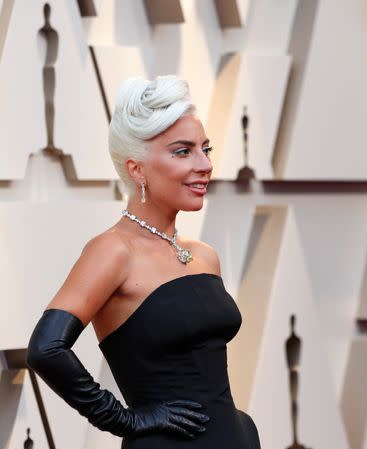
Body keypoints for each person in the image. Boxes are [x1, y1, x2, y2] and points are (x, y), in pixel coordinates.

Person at [26, 75, 261, 449]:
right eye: (183, 151)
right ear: (137, 169)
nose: (204, 164)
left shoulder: (204, 255)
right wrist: (123, 419)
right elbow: (46, 349)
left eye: (206, 148)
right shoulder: (113, 250)